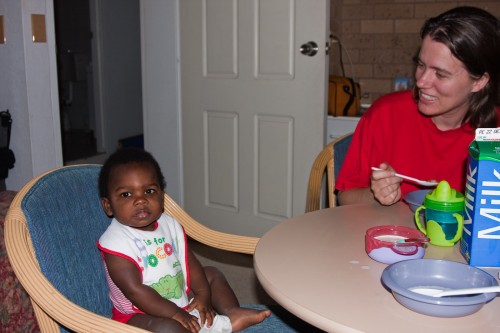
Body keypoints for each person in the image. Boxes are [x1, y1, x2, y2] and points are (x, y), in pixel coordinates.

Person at [336, 6, 500, 206]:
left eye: (440, 74)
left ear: (479, 82)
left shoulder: (494, 134)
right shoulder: (386, 114)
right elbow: (345, 198)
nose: (421, 81)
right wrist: (376, 193)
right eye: (421, 65)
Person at [97, 148, 270, 333]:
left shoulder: (168, 224)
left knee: (212, 273)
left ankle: (231, 314)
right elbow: (135, 291)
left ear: (161, 197)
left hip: (178, 293)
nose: (140, 200)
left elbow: (189, 261)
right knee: (168, 328)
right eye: (126, 194)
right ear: (108, 206)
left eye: (149, 191)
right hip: (138, 314)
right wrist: (176, 314)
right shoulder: (116, 242)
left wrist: (203, 294)